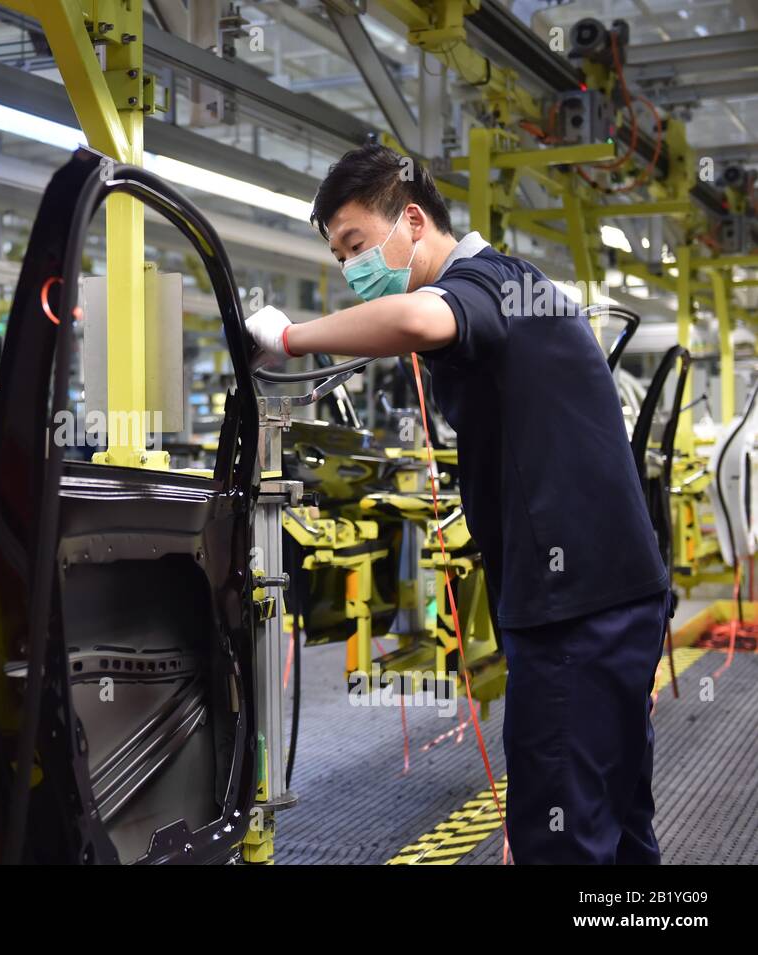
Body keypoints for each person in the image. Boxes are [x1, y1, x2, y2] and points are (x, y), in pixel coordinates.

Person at [246, 143, 671, 864]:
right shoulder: (516, 283)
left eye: (356, 245)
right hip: (614, 597)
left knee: (562, 838)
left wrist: (288, 338)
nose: (352, 270)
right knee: (619, 824)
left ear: (413, 220)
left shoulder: (487, 284)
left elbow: (419, 322)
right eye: (341, 257)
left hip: (574, 613)